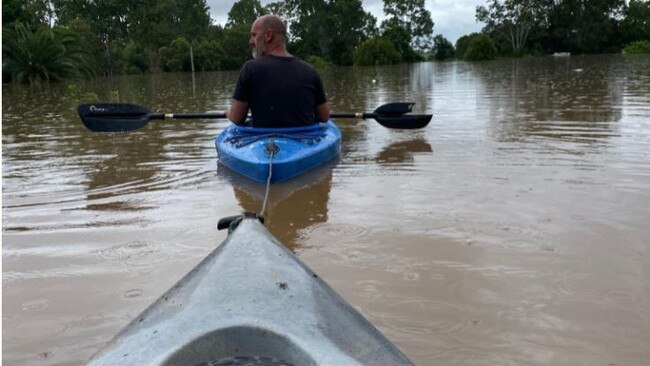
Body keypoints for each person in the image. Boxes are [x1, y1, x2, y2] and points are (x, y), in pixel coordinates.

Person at [225, 14, 330, 127]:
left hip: (263, 140)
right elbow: (324, 117)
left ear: (268, 35)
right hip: (304, 139)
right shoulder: (310, 71)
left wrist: (228, 113)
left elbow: (237, 118)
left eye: (254, 35)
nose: (251, 41)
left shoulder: (250, 69)